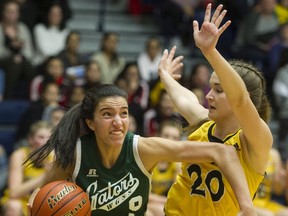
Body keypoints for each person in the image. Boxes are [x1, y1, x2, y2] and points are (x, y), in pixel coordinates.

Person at [25, 84, 256, 216]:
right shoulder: (75, 154)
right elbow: (41, 193)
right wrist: (36, 201)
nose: (118, 122)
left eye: (123, 113)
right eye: (107, 114)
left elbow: (222, 152)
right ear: (90, 123)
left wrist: (247, 207)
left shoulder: (143, 148)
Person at [158, 4, 273, 216]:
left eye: (219, 90)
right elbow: (185, 99)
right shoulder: (204, 122)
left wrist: (210, 52)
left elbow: (240, 100)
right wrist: (166, 76)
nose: (209, 95)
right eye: (211, 87)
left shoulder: (256, 140)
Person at [0, 120, 53, 216]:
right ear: (30, 139)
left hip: (44, 203)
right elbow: (14, 193)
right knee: (13, 206)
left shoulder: (55, 157)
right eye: (41, 137)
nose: (46, 141)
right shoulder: (20, 155)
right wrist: (44, 176)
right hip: (22, 202)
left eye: (49, 138)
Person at [146, 120, 182, 216]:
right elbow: (142, 195)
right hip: (144, 203)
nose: (170, 140)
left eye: (175, 137)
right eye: (166, 135)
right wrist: (164, 201)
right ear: (158, 136)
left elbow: (177, 197)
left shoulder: (178, 164)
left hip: (164, 205)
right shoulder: (147, 159)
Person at [253, 148, 288, 216]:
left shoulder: (274, 155)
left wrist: (283, 180)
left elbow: (278, 190)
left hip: (265, 203)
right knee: (268, 215)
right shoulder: (244, 149)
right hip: (249, 203)